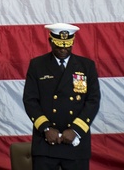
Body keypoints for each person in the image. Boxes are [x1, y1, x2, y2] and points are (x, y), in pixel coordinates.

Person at [22, 23, 101, 170]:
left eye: (68, 46)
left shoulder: (86, 66)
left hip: (76, 142)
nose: (64, 49)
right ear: (50, 41)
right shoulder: (37, 65)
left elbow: (93, 101)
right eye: (59, 46)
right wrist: (46, 128)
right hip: (45, 143)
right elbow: (30, 100)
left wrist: (75, 130)